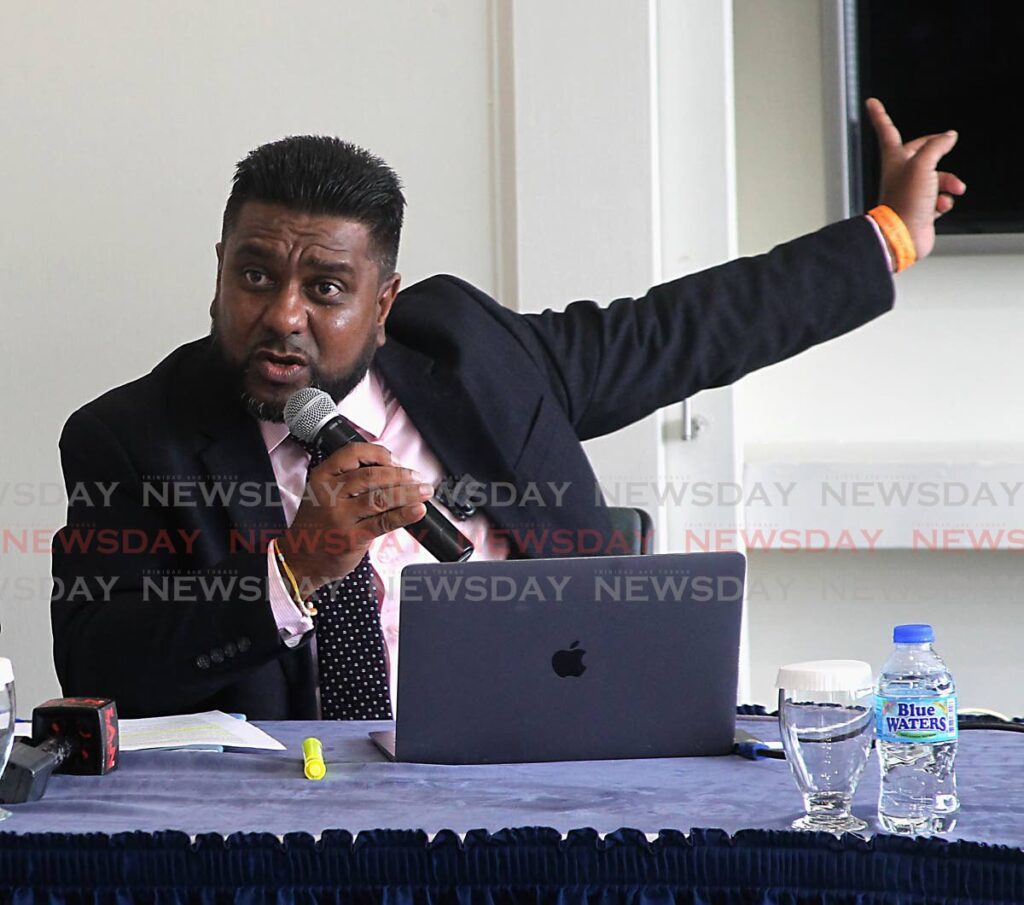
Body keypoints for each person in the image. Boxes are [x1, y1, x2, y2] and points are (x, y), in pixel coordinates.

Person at [51, 100, 964, 719]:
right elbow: (102, 666)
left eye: (325, 287)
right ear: (219, 265)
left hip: (559, 751)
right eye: (254, 275)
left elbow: (680, 331)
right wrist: (297, 566)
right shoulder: (132, 438)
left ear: (384, 299)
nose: (282, 316)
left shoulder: (472, 354)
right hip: (304, 812)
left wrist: (887, 235)